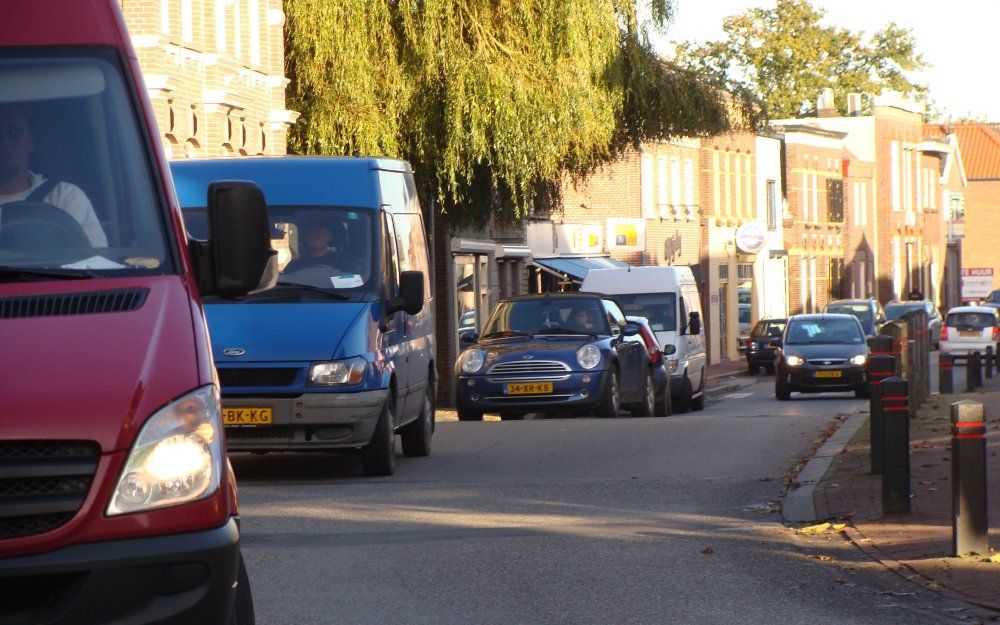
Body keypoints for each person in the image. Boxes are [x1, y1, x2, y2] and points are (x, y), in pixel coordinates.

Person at [0, 104, 107, 247]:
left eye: (13, 132)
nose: (4, 143)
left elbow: (95, 261)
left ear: (30, 141)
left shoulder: (64, 197)